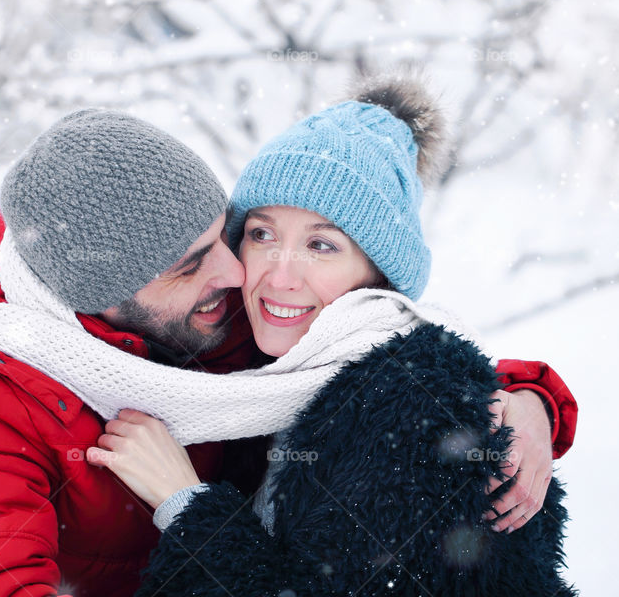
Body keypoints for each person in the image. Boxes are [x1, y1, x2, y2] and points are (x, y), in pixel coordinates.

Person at [0, 107, 575, 597]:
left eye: (226, 232)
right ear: (106, 300)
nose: (238, 275)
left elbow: (387, 370)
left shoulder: (225, 313)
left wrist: (531, 401)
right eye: (192, 263)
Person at [89, 74, 578, 595]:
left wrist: (185, 502)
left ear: (379, 274)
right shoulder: (266, 371)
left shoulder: (412, 411)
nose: (280, 275)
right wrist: (537, 394)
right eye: (262, 235)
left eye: (321, 246)